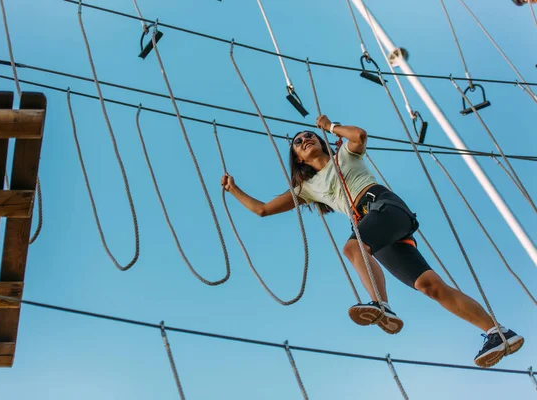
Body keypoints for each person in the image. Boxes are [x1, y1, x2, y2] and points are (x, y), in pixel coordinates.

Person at [220, 115, 524, 368]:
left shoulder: (344, 155)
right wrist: (233, 189)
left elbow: (359, 135)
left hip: (383, 206)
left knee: (352, 248)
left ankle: (381, 305)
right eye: (298, 142)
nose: (305, 140)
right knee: (429, 287)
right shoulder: (307, 188)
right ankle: (498, 332)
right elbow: (261, 210)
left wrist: (329, 127)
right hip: (373, 228)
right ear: (298, 157)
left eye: (309, 136)